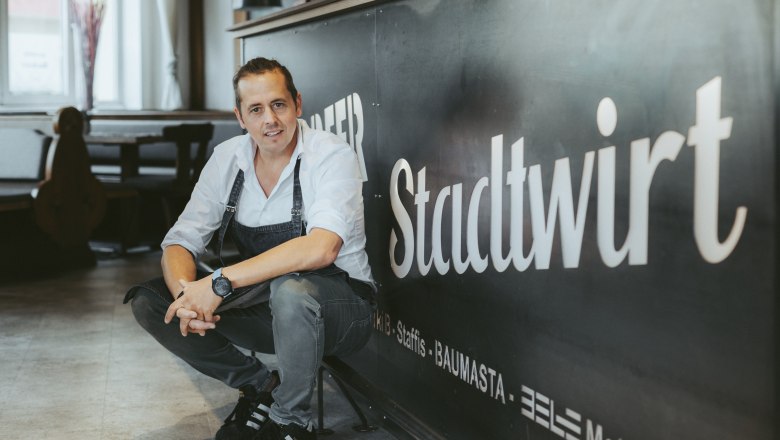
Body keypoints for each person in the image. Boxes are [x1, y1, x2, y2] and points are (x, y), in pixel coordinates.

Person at [125, 57, 376, 440]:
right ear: (240, 116)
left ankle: (290, 422)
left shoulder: (330, 155)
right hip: (268, 309)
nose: (269, 120)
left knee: (291, 290)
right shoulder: (228, 158)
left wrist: (219, 282)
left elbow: (322, 249)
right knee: (151, 301)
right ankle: (261, 386)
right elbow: (181, 241)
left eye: (278, 105)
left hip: (342, 311)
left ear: (298, 104)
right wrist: (187, 295)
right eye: (256, 109)